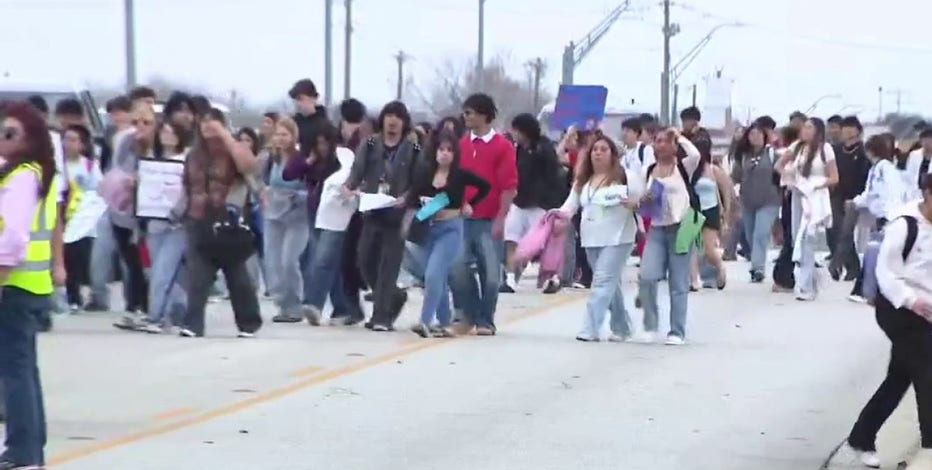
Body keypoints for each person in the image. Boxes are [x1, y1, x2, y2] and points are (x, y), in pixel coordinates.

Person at [837, 175, 932, 470]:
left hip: (926, 311)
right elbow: (886, 272)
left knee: (899, 377)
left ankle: (862, 436)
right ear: (928, 193)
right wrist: (910, 300)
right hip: (898, 309)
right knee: (926, 371)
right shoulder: (906, 224)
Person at [0, 100, 60, 470]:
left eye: (10, 133)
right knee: (24, 369)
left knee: (14, 371)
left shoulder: (22, 177)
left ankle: (23, 452)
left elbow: (14, 238)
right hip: (32, 284)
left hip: (15, 285)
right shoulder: (35, 172)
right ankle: (30, 448)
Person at [176, 109, 263, 338]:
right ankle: (193, 324)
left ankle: (248, 323)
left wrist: (225, 135)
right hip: (197, 221)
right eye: (203, 122)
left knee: (238, 278)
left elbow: (249, 166)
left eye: (212, 122)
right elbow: (186, 184)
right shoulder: (194, 154)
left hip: (228, 223)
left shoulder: (234, 149)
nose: (207, 126)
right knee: (197, 278)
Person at [342, 101, 420, 332]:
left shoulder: (413, 148)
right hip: (372, 209)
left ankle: (381, 317)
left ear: (404, 122)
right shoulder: (370, 143)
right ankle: (394, 296)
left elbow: (419, 179)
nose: (393, 121)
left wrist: (407, 197)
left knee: (389, 265)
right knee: (365, 260)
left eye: (398, 117)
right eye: (389, 116)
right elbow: (356, 172)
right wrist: (349, 187)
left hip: (397, 212)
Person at [407, 130, 490, 338]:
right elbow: (414, 196)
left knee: (434, 273)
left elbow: (484, 186)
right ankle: (443, 321)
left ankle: (424, 321)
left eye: (449, 150)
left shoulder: (459, 176)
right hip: (428, 229)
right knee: (435, 277)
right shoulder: (425, 174)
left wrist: (470, 204)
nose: (444, 154)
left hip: (450, 229)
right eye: (441, 149)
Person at [449, 93, 517, 336]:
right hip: (460, 217)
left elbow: (509, 186)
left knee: (490, 273)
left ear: (484, 115)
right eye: (464, 112)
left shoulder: (502, 146)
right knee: (457, 267)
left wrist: (501, 218)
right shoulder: (460, 145)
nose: (465, 117)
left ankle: (485, 320)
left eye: (470, 112)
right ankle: (467, 313)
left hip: (488, 219)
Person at [559, 135, 639, 342]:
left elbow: (643, 200)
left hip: (619, 237)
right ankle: (622, 327)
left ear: (613, 154)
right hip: (591, 237)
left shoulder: (626, 175)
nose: (598, 153)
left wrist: (634, 202)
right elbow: (571, 205)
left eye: (604, 149)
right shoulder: (583, 180)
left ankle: (589, 328)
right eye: (595, 149)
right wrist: (556, 217)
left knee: (602, 281)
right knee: (610, 283)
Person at [635, 128, 701, 345]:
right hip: (657, 227)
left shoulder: (683, 167)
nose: (659, 145)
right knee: (647, 275)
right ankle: (650, 324)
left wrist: (679, 136)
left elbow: (695, 155)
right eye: (657, 141)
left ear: (674, 146)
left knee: (678, 281)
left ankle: (677, 331)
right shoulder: (649, 169)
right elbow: (639, 198)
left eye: (665, 141)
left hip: (682, 227)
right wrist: (644, 200)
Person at [136, 121, 191, 334]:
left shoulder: (186, 160)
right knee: (159, 271)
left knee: (163, 271)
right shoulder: (151, 160)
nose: (167, 135)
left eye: (172, 132)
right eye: (164, 131)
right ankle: (174, 311)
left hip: (177, 224)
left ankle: (155, 316)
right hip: (153, 221)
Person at [775, 118, 839, 301]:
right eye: (804, 127)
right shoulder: (796, 147)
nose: (805, 130)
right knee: (797, 238)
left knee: (808, 238)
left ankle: (806, 286)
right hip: (798, 196)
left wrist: (815, 184)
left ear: (818, 130)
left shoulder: (825, 149)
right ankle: (809, 280)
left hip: (816, 197)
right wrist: (789, 176)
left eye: (810, 127)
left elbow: (834, 177)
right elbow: (779, 165)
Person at [503, 113, 565, 294]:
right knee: (511, 239)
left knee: (538, 245)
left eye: (516, 130)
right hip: (519, 202)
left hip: (540, 205)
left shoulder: (544, 148)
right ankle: (510, 278)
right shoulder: (518, 149)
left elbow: (553, 176)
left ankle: (551, 277)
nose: (514, 134)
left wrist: (553, 205)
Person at [263, 117, 314, 323]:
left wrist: (298, 197)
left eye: (285, 134)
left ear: (294, 137)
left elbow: (311, 186)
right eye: (278, 134)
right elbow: (264, 181)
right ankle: (282, 304)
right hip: (274, 215)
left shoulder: (301, 158)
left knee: (288, 260)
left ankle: (294, 305)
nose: (281, 139)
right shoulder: (271, 159)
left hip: (297, 216)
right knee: (273, 262)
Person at [730, 124, 781, 283]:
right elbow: (735, 177)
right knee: (751, 234)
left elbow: (781, 174)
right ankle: (756, 259)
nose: (755, 137)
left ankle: (757, 268)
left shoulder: (772, 154)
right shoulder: (743, 156)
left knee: (761, 232)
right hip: (748, 201)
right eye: (752, 134)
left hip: (769, 200)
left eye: (759, 134)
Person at [60, 124, 103, 313]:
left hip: (82, 221)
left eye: (73, 140)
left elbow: (98, 192)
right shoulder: (58, 164)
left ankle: (75, 297)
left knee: (76, 260)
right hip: (62, 219)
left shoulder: (89, 166)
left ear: (83, 144)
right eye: (66, 139)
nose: (68, 144)